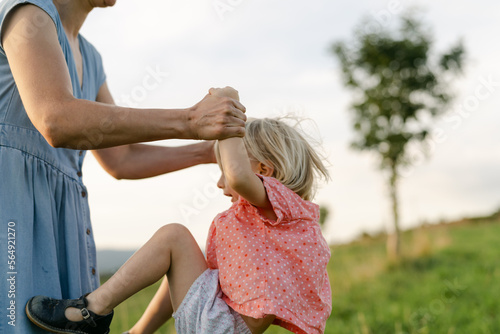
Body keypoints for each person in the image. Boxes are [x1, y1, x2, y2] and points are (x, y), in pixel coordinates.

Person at [0, 1, 246, 332]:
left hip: (63, 220)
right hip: (13, 213)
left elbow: (122, 158)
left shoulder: (91, 58)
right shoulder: (27, 12)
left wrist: (208, 151)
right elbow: (55, 119)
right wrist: (191, 119)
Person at [25, 87, 333, 334]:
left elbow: (240, 177)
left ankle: (90, 309)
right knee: (179, 256)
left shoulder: (278, 204)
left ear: (264, 169)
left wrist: (229, 107)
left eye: (223, 166)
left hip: (222, 326)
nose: (220, 180)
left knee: (174, 236)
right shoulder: (276, 220)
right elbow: (196, 280)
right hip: (222, 320)